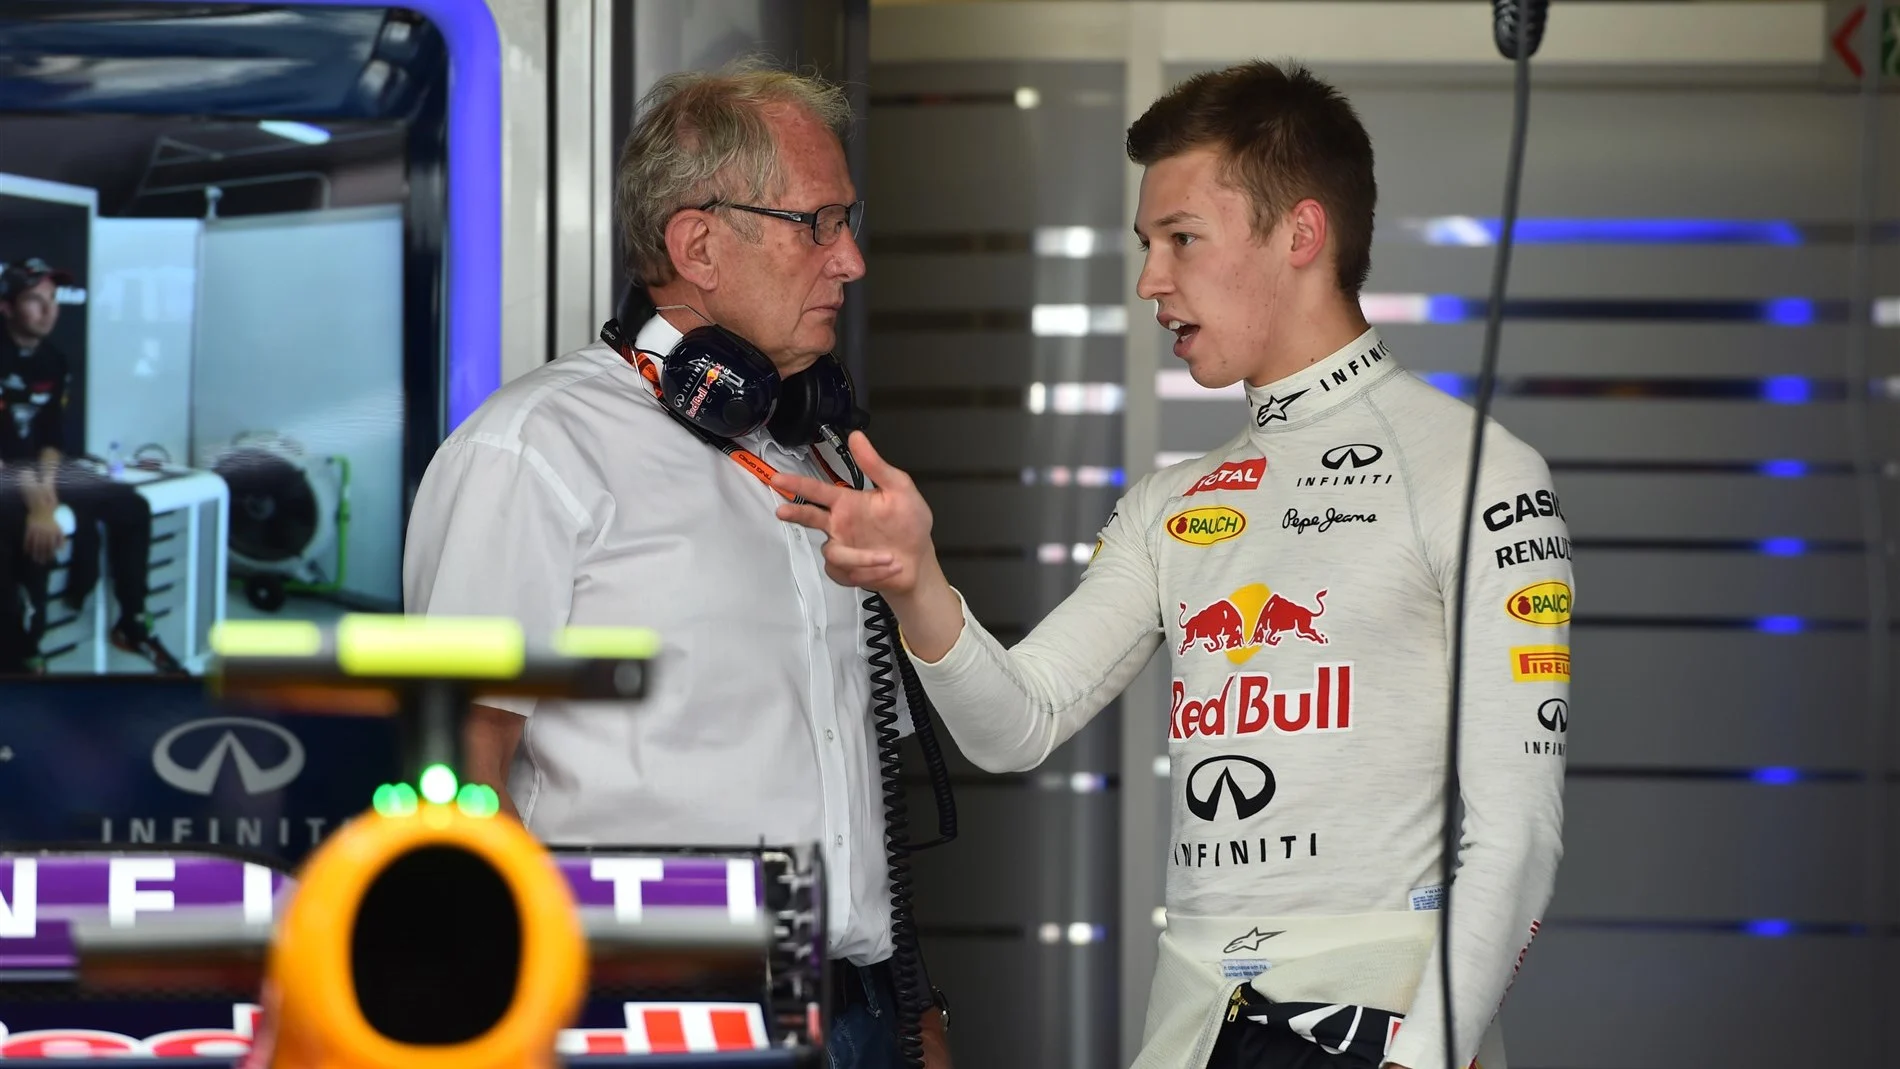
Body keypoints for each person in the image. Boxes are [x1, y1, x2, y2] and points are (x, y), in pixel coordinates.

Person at [775, 61, 1571, 1069]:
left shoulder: (1481, 471)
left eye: (1180, 240)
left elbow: (1518, 836)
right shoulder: (1172, 504)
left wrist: (1422, 1059)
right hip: (1190, 1028)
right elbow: (1012, 726)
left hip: (1377, 1023)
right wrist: (915, 579)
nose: (1150, 279)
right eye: (1146, 246)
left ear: (1301, 235)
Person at [402, 62, 949, 1069]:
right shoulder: (533, 450)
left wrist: (913, 1005)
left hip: (861, 1011)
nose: (851, 260)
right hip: (646, 1017)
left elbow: (852, 778)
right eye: (817, 223)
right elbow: (452, 769)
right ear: (697, 243)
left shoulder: (819, 449)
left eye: (848, 221)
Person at [0, 257, 181, 675]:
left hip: (32, 471)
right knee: (19, 529)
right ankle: (22, 650)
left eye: (53, 299)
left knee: (130, 506)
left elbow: (51, 439)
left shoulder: (54, 361)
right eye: (34, 300)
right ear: (6, 308)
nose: (49, 311)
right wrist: (40, 504)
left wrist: (46, 487)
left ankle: (132, 621)